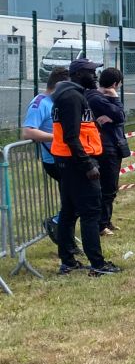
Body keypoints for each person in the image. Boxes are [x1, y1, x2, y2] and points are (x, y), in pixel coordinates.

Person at [50, 58, 121, 276]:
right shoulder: (71, 97)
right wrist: (87, 164)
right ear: (80, 74)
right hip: (77, 163)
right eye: (92, 72)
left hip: (69, 162)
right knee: (91, 213)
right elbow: (72, 136)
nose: (96, 76)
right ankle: (97, 265)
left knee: (69, 212)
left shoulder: (70, 94)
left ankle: (68, 261)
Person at [22, 67, 71, 243]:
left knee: (75, 198)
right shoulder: (40, 103)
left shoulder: (60, 100)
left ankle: (64, 234)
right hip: (54, 160)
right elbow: (28, 132)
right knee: (79, 198)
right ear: (59, 86)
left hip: (66, 157)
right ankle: (57, 224)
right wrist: (60, 137)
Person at [86, 68, 128, 236]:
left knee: (111, 187)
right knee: (107, 187)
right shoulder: (97, 98)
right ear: (115, 84)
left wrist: (114, 117)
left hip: (111, 145)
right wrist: (116, 101)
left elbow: (118, 117)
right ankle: (101, 224)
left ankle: (106, 220)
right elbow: (120, 115)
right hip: (106, 147)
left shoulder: (100, 99)